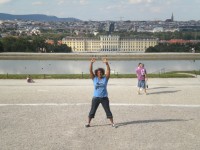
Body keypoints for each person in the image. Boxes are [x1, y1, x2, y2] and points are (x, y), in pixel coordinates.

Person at [85, 58, 115, 128]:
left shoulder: (105, 79)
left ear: (102, 73)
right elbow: (90, 71)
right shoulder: (94, 78)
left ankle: (112, 123)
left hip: (104, 98)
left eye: (101, 72)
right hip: (96, 98)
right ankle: (88, 123)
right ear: (96, 73)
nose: (100, 73)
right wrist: (91, 63)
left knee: (108, 110)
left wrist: (107, 64)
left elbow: (108, 71)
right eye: (98, 72)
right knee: (92, 110)